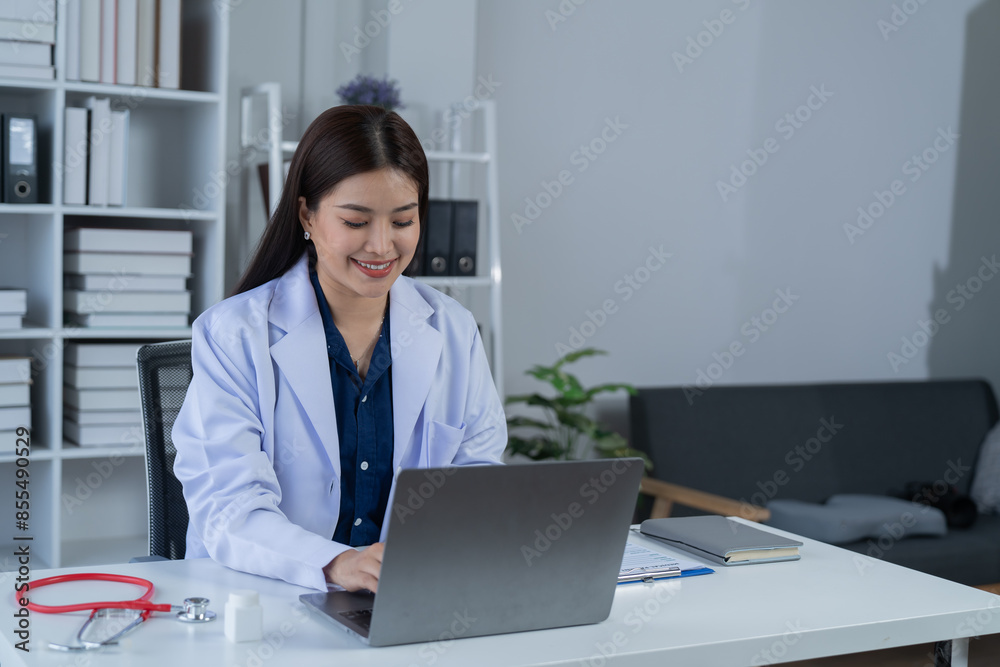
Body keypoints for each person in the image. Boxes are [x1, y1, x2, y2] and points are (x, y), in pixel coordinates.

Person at [172, 105, 507, 593]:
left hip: (405, 597)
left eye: (402, 221)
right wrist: (334, 563)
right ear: (307, 213)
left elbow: (478, 479)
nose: (381, 246)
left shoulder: (453, 329)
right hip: (265, 598)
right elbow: (229, 509)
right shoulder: (234, 335)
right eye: (356, 221)